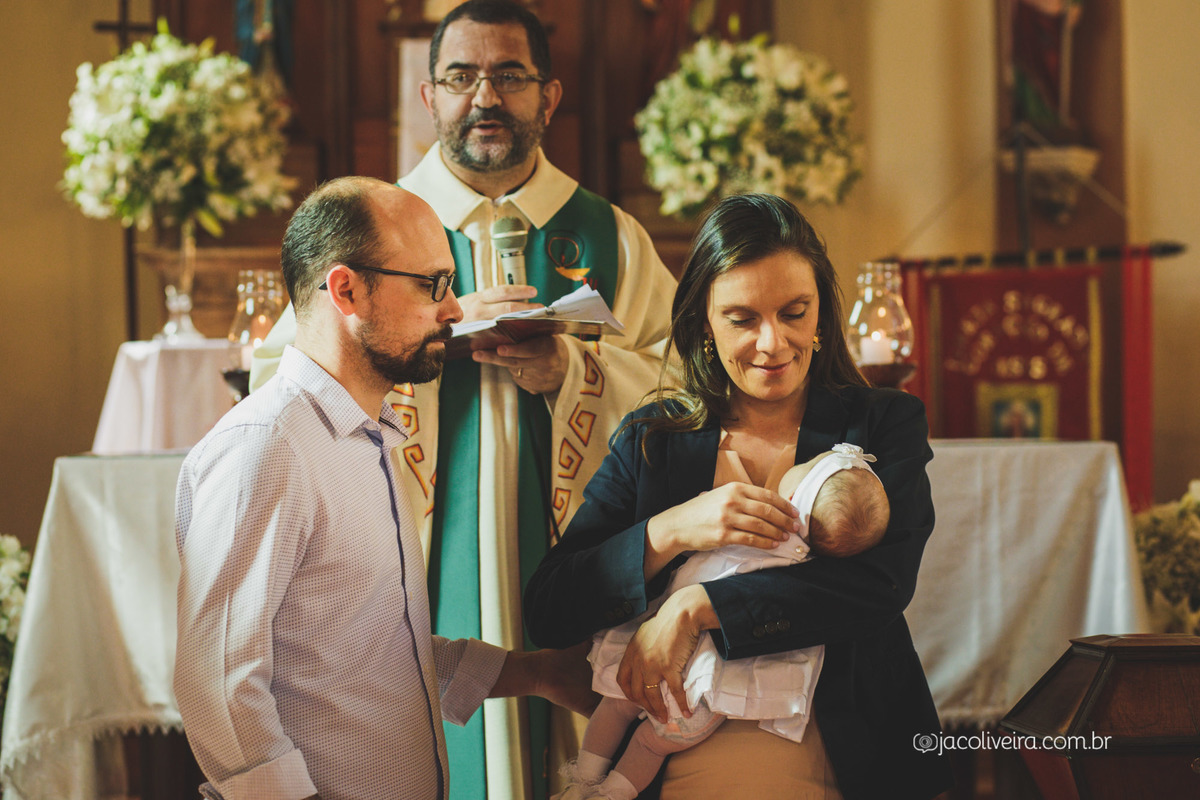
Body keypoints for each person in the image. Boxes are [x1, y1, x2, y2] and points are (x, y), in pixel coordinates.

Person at [251, 3, 676, 796]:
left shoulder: (610, 238)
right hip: (414, 561)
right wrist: (425, 343)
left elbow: (686, 393)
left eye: (510, 76)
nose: (486, 96)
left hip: (577, 558)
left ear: (548, 97)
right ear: (429, 97)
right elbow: (277, 381)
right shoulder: (368, 233)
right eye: (462, 77)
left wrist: (574, 375)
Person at [174, 177, 595, 800]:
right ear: (346, 289)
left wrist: (536, 672)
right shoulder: (265, 448)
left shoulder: (371, 435)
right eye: (433, 285)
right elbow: (217, 684)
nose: (454, 310)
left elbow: (367, 651)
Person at [524, 193, 955, 799]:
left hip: (849, 763)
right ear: (704, 319)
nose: (772, 343)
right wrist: (668, 531)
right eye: (742, 318)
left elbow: (877, 587)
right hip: (665, 775)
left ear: (820, 316)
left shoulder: (882, 424)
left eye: (794, 312)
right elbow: (549, 608)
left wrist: (695, 605)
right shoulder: (655, 439)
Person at [557, 444, 890, 800]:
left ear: (794, 497)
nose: (806, 459)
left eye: (808, 464)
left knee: (617, 705)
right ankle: (611, 794)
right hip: (708, 698)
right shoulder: (807, 569)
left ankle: (583, 782)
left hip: (666, 665)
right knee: (651, 745)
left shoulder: (751, 530)